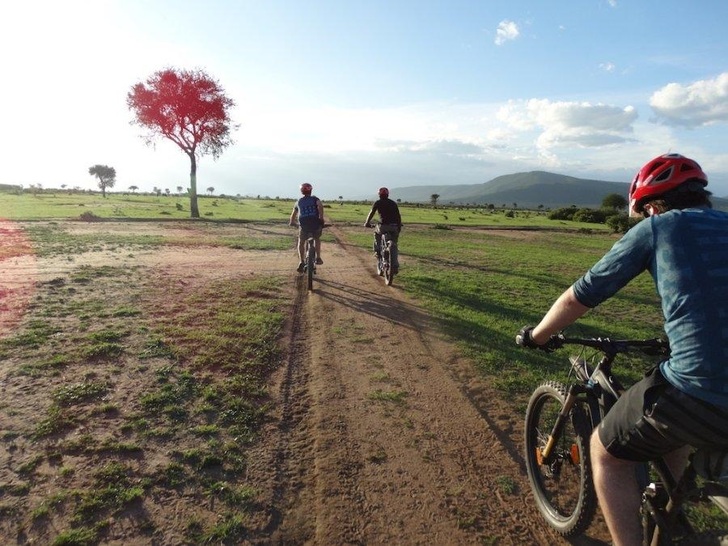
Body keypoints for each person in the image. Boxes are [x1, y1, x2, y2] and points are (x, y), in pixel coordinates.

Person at [516, 153, 728, 546]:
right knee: (670, 428)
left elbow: (580, 297)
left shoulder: (659, 228)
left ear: (651, 206)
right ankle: (669, 508)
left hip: (704, 389)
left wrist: (537, 336)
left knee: (604, 453)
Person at [364, 187, 403, 272]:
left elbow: (372, 213)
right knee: (394, 245)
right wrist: (399, 226)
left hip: (383, 226)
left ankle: (378, 251)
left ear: (379, 195)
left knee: (376, 233)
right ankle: (395, 265)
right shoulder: (393, 203)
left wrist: (367, 222)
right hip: (394, 227)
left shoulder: (378, 203)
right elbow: (398, 216)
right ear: (388, 194)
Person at [289, 182, 325, 273]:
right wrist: (321, 218)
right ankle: (318, 257)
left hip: (303, 224)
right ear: (311, 190)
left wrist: (292, 222)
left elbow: (293, 215)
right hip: (315, 222)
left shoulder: (298, 201)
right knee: (317, 238)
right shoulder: (315, 199)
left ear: (301, 191)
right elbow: (320, 205)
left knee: (301, 242)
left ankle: (301, 261)